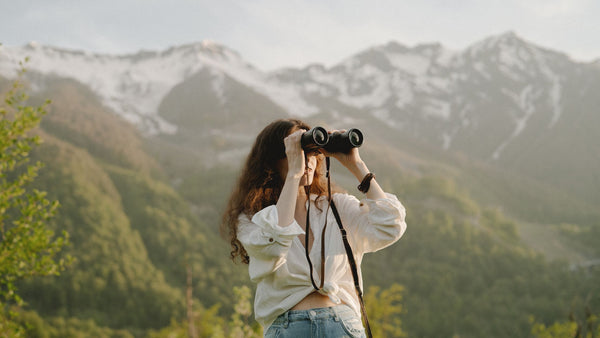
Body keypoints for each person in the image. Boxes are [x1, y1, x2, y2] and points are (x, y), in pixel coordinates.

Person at [222, 118, 407, 337]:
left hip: (343, 325)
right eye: (299, 150)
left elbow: (391, 225)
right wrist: (294, 175)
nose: (308, 160)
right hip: (288, 328)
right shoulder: (253, 219)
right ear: (273, 159)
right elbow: (275, 244)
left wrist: (356, 165)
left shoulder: (337, 207)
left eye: (312, 152)